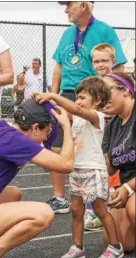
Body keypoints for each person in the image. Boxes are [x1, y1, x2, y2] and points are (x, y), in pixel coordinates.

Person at [0, 99, 74, 258]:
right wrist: (66, 126)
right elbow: (66, 165)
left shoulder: (0, 129)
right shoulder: (16, 141)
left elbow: (47, 164)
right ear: (35, 127)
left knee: (13, 194)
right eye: (47, 133)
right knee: (43, 214)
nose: (45, 139)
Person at [47, 1, 127, 212]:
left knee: (96, 148)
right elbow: (58, 67)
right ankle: (59, 197)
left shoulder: (104, 30)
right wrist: (53, 95)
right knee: (58, 146)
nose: (65, 9)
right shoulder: (66, 34)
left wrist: (113, 95)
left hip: (93, 95)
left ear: (82, 5)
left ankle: (99, 197)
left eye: (68, 5)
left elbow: (118, 66)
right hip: (65, 93)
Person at [33, 76, 124, 258]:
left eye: (82, 97)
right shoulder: (77, 117)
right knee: (76, 211)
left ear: (97, 100)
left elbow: (73, 108)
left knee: (100, 210)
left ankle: (115, 246)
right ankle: (77, 248)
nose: (78, 101)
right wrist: (46, 101)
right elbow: (64, 111)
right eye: (77, 97)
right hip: (77, 170)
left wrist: (52, 94)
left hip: (94, 170)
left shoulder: (97, 116)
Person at [84, 43, 121, 231]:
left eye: (104, 60)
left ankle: (110, 208)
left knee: (112, 170)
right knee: (94, 171)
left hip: (116, 133)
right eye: (96, 61)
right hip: (96, 135)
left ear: (113, 61)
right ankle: (94, 209)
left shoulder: (119, 83)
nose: (100, 64)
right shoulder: (91, 85)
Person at [102, 72, 135, 252]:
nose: (102, 98)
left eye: (107, 91)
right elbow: (108, 167)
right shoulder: (111, 127)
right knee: (118, 240)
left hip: (132, 187)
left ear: (126, 91)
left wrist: (128, 188)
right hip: (127, 187)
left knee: (134, 209)